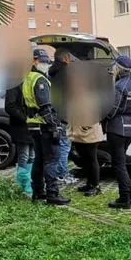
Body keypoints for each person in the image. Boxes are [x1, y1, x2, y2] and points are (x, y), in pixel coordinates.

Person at [22, 49, 70, 205]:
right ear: (34, 60)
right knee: (52, 160)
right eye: (42, 61)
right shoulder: (39, 80)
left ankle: (38, 191)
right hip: (44, 125)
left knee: (39, 159)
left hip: (33, 124)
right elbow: (45, 106)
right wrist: (54, 126)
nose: (45, 64)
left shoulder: (27, 78)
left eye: (46, 61)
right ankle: (52, 193)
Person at [4, 49, 48, 196]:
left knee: (32, 155)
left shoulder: (33, 78)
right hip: (21, 125)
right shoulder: (15, 80)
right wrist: (24, 117)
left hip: (32, 124)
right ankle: (23, 183)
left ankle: (28, 181)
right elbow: (10, 105)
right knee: (24, 154)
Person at [103, 55, 131, 209]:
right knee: (122, 164)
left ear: (118, 68)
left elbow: (112, 110)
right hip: (129, 128)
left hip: (117, 128)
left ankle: (125, 198)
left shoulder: (119, 86)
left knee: (118, 165)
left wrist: (102, 113)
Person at [68, 66, 104, 196]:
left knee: (91, 159)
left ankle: (95, 186)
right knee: (84, 159)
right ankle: (89, 183)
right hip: (78, 131)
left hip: (89, 131)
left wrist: (86, 125)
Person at [48, 48, 78, 186]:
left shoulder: (50, 73)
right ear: (65, 58)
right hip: (65, 113)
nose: (71, 60)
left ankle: (58, 172)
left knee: (58, 145)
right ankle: (62, 173)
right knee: (65, 145)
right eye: (70, 57)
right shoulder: (67, 73)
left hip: (54, 113)